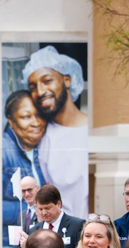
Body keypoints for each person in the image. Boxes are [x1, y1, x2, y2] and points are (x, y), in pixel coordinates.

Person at [23, 46, 88, 219]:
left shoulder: (95, 132)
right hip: (61, 238)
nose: (40, 91)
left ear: (67, 80)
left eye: (46, 81)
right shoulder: (41, 137)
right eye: (33, 87)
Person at [2, 91, 46, 248]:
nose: (36, 122)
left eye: (39, 115)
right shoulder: (2, 150)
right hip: (8, 246)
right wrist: (31, 209)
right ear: (11, 121)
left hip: (40, 245)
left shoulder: (43, 150)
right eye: (26, 117)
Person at [16, 184, 84, 248]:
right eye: (40, 209)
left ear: (58, 204)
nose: (44, 213)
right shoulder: (34, 231)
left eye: (47, 208)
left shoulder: (77, 225)